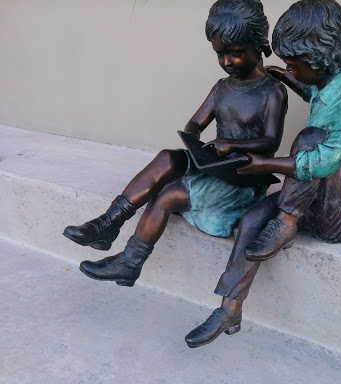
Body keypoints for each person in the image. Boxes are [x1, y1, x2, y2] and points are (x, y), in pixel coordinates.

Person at [185, 0, 341, 348]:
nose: (288, 69)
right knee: (252, 218)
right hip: (311, 200)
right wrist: (284, 76)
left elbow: (319, 164)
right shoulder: (328, 86)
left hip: (340, 216)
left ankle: (286, 223)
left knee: (310, 139)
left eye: (292, 64)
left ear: (317, 61)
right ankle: (229, 308)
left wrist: (264, 165)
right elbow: (312, 89)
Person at [63, 0, 287, 288]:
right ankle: (108, 223)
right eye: (220, 55)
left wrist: (229, 145)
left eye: (235, 53)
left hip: (243, 178)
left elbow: (270, 141)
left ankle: (130, 262)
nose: (227, 62)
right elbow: (195, 124)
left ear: (258, 46)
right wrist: (196, 143)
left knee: (168, 194)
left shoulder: (272, 91)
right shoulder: (221, 87)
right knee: (169, 157)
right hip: (216, 164)